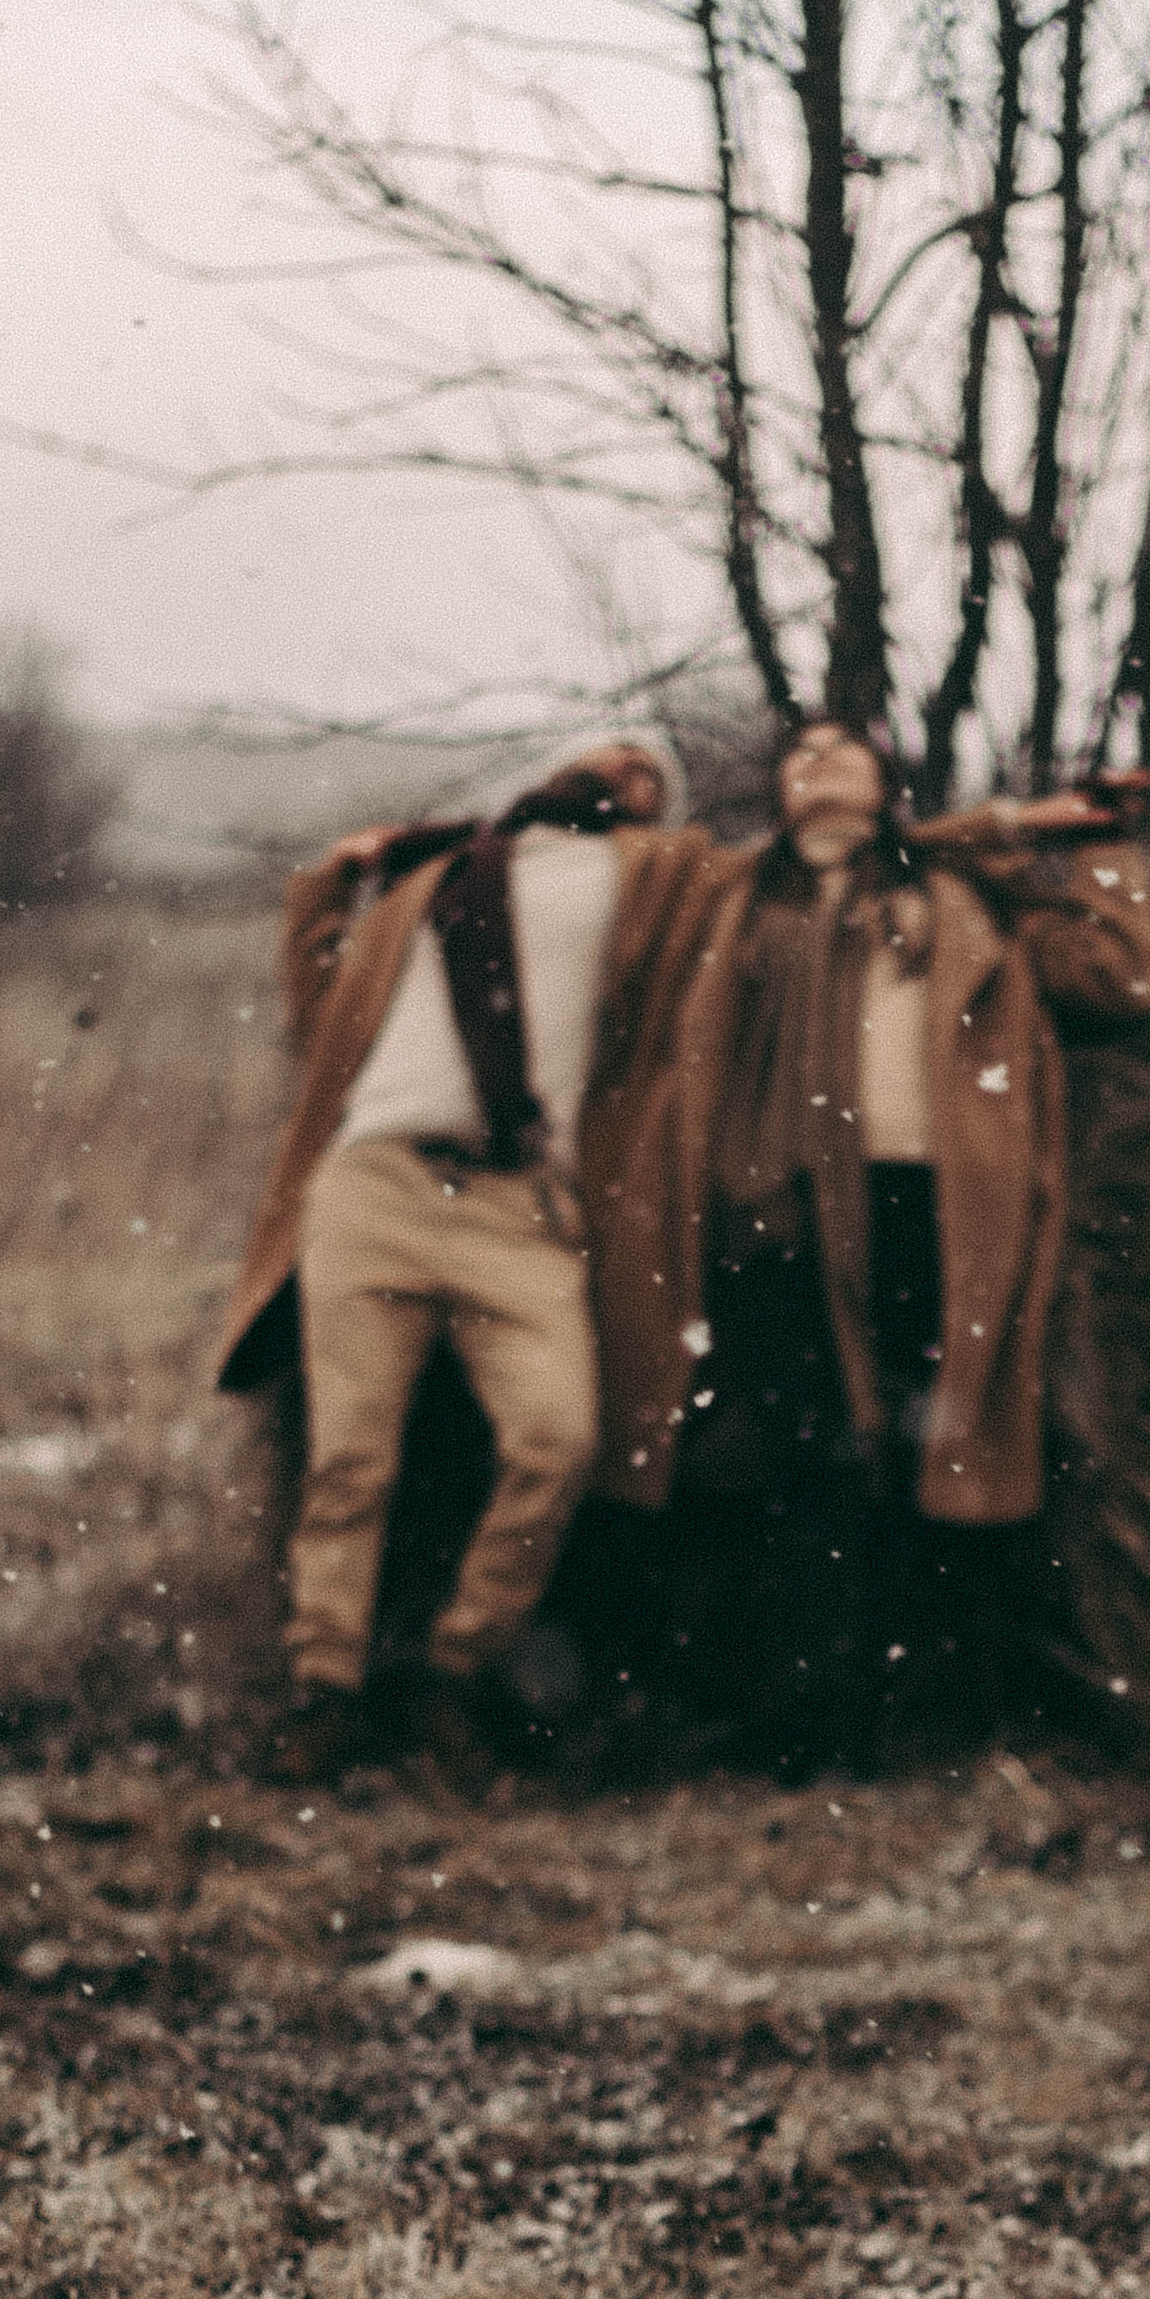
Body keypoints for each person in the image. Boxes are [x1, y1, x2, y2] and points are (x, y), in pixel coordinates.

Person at [583, 722, 1150, 1772]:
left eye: (844, 749)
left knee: (933, 1460)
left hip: (931, 1206)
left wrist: (1097, 845)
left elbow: (1118, 980)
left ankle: (926, 1717)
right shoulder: (734, 898)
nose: (817, 760)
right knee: (809, 1461)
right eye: (798, 751)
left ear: (890, 783)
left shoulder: (959, 897)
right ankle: (811, 1725)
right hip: (779, 1203)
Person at [216, 733, 725, 1785]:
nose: (625, 770)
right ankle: (326, 1692)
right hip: (379, 1186)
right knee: (349, 1460)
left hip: (520, 1204)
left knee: (559, 1440)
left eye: (650, 775)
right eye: (610, 753)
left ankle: (461, 1668)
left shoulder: (649, 880)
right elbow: (322, 1013)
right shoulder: (441, 878)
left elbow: (787, 862)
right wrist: (334, 880)